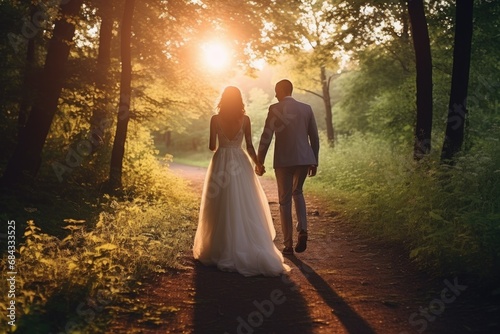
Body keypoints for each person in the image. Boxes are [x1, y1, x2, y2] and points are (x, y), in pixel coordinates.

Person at [192, 86, 290, 277]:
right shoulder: (245, 120)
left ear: (223, 99)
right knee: (244, 203)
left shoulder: (215, 119)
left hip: (221, 161)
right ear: (239, 101)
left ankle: (219, 248)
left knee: (219, 203)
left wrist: (221, 142)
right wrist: (258, 164)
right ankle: (244, 245)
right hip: (240, 161)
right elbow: (250, 146)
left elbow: (212, 146)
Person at [256, 79, 319, 255]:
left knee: (284, 201)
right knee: (297, 192)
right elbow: (314, 137)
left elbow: (266, 136)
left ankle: (288, 244)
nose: (275, 95)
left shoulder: (275, 109)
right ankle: (303, 230)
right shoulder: (306, 108)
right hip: (304, 158)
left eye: (276, 91)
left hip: (283, 161)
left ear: (281, 90)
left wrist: (260, 160)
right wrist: (314, 160)